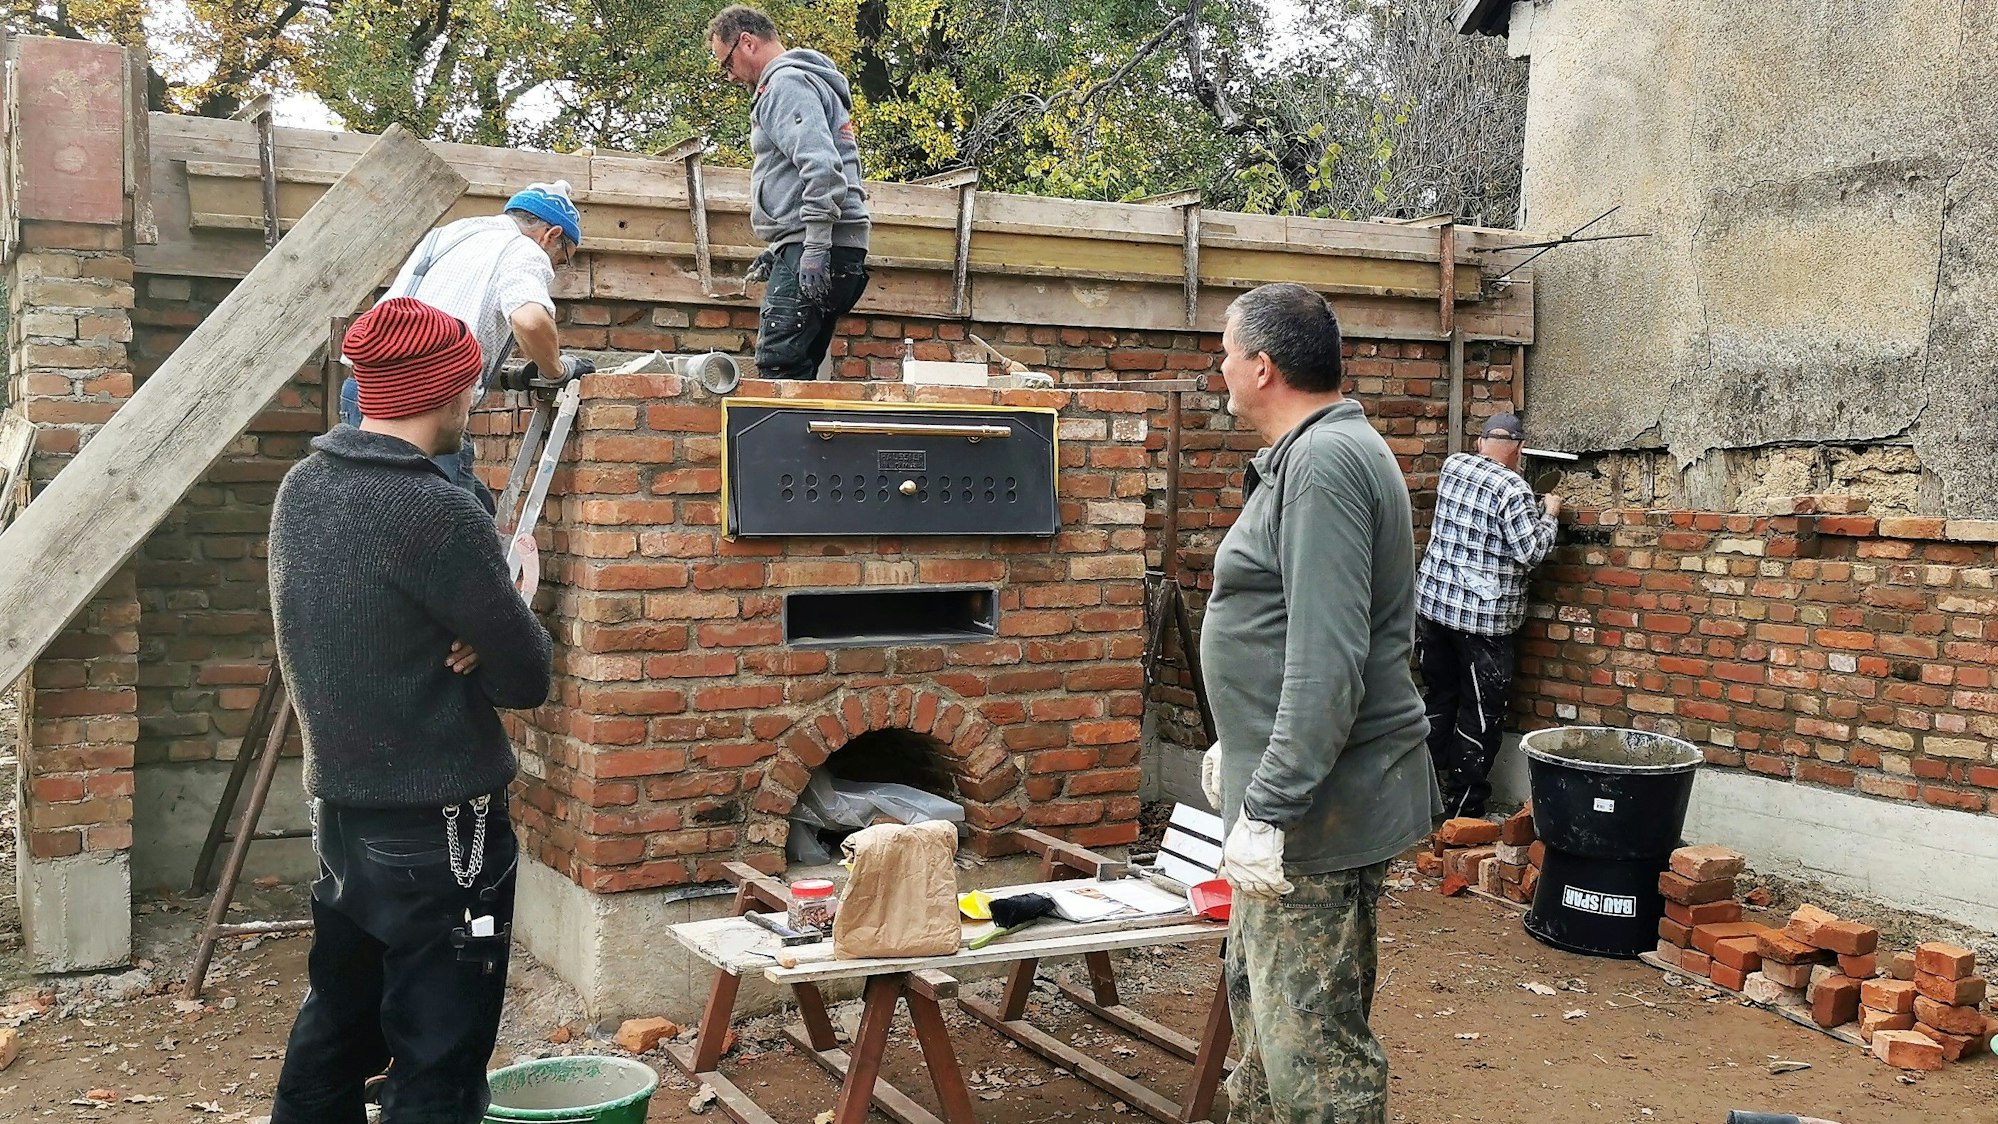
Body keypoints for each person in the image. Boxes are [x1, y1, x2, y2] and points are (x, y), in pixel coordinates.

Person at [271, 298, 554, 1124]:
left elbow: (344, 623)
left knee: (338, 1028)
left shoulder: (304, 487)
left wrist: (463, 625)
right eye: (469, 385)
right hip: (442, 837)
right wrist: (489, 623)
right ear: (450, 389)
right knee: (440, 1056)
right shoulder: (435, 512)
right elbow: (524, 676)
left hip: (342, 819)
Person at [1197, 282, 1438, 1124]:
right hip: (1300, 802)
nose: (1219, 368)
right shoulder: (1310, 456)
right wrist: (1242, 741)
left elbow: (1328, 656)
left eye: (1226, 352)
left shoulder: (1327, 464)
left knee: (1313, 1060)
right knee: (1264, 1037)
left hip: (1317, 818)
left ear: (1262, 368)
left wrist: (1271, 803)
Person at [339, 180, 593, 509]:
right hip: (423, 408)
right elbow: (530, 320)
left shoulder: (449, 233)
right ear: (552, 234)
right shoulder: (524, 249)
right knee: (439, 531)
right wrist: (556, 369)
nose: (556, 267)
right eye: (563, 259)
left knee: (375, 514)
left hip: (364, 393)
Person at [706, 4, 871, 380]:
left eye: (726, 63)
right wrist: (780, 247)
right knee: (800, 369)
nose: (729, 76)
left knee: (780, 368)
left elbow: (822, 168)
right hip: (829, 243)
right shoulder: (808, 81)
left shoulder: (785, 84)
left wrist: (811, 246)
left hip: (819, 247)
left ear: (746, 42)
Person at [1415, 412, 1561, 819]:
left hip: (1434, 607)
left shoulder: (1454, 465)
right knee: (1480, 714)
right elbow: (1530, 551)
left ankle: (1421, 800)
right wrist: (1549, 513)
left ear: (1479, 443)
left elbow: (1483, 516)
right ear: (1518, 451)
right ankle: (1464, 809)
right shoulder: (1513, 487)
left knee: (1439, 699)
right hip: (1483, 622)